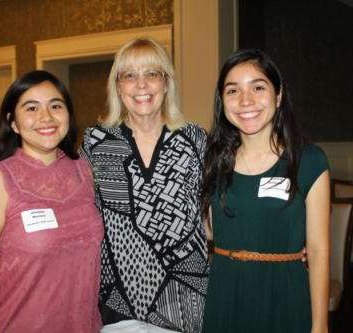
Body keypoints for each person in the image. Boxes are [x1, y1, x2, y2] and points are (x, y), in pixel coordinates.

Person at [80, 37, 208, 333]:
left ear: (166, 82)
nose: (141, 85)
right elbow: (78, 211)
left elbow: (216, 208)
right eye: (130, 75)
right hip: (117, 302)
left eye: (152, 73)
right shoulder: (97, 142)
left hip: (185, 299)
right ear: (117, 85)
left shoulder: (196, 140)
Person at [0, 70, 104, 333]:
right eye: (31, 107)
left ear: (68, 115)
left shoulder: (84, 172)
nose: (46, 117)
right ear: (13, 122)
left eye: (56, 106)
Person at [201, 49, 330, 333]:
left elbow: (319, 250)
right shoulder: (212, 161)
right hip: (226, 295)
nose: (246, 101)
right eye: (233, 90)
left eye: (258, 87)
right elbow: (208, 230)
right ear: (222, 101)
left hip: (284, 295)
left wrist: (320, 324)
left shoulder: (309, 161)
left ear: (279, 95)